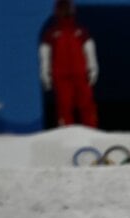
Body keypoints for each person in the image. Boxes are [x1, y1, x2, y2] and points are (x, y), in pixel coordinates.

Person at [38, 0, 99, 129]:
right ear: (56, 11)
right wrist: (45, 72)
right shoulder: (51, 33)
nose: (66, 11)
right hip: (61, 76)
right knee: (64, 105)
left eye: (68, 8)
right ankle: (66, 131)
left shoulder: (80, 31)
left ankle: (91, 130)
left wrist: (93, 67)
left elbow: (89, 49)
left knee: (86, 104)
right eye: (62, 9)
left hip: (80, 74)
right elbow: (45, 53)